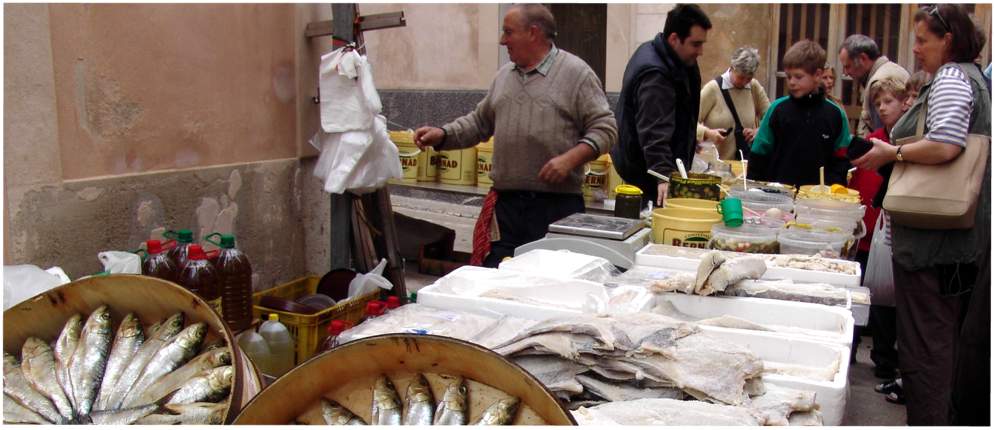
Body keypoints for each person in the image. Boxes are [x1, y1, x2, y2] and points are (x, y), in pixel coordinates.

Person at [852, 4, 990, 425]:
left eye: (922, 40)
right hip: (947, 241)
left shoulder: (952, 77)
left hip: (934, 242)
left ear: (948, 40)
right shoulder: (971, 77)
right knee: (938, 342)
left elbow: (946, 144)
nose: (915, 49)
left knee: (927, 348)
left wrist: (892, 153)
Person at [413, 4, 617, 268]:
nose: (502, 40)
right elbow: (479, 122)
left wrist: (569, 160)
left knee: (549, 281)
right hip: (507, 208)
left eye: (508, 32)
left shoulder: (576, 74)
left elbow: (606, 128)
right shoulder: (504, 77)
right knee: (497, 276)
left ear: (533, 32)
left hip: (557, 207)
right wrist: (443, 134)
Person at [612, 4, 711, 206]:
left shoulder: (674, 60)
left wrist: (688, 140)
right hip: (647, 178)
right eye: (695, 44)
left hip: (653, 169)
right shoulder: (655, 74)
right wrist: (663, 174)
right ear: (674, 39)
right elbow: (653, 131)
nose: (701, 51)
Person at [848, 77, 910, 394]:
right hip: (869, 231)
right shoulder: (873, 140)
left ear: (906, 102)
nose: (883, 108)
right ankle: (857, 351)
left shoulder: (909, 144)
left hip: (894, 230)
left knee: (891, 300)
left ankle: (888, 359)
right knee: (868, 294)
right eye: (878, 103)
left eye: (888, 101)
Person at [747, 40, 851, 186]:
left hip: (817, 196)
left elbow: (841, 158)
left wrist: (833, 188)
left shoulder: (835, 114)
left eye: (798, 76)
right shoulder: (778, 109)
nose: (792, 82)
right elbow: (759, 153)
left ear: (817, 75)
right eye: (788, 76)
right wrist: (754, 189)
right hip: (777, 193)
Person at [696, 47, 771, 160]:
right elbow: (688, 123)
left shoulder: (754, 87)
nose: (744, 82)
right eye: (741, 77)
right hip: (715, 164)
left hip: (744, 164)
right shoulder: (712, 89)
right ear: (732, 68)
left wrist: (758, 131)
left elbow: (771, 118)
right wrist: (707, 133)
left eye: (749, 78)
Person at [839, 34, 911, 137]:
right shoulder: (892, 70)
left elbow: (883, 132)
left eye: (848, 66)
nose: (846, 73)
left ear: (863, 58)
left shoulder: (879, 81)